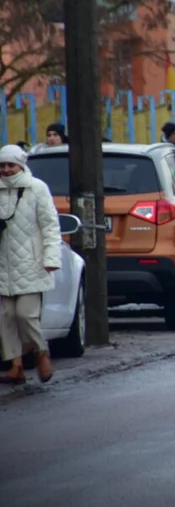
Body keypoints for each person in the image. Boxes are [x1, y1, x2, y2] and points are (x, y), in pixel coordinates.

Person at [0, 145, 60, 385]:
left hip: (31, 263)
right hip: (3, 264)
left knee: (26, 315)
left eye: (10, 165)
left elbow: (50, 226)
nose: (5, 170)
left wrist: (51, 258)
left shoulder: (37, 188)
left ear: (21, 165)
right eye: (2, 166)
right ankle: (16, 366)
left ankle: (41, 352)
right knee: (5, 316)